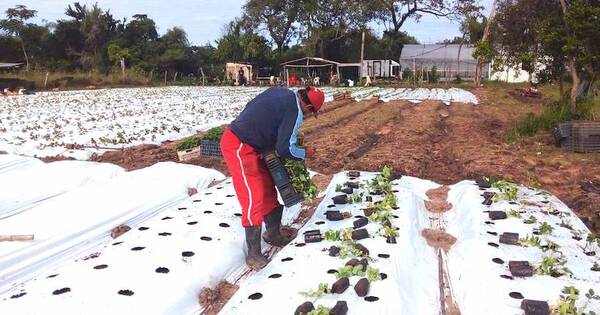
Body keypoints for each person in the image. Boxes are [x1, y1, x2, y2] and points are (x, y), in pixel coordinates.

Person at [220, 86, 325, 270]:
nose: (307, 116)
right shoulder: (295, 110)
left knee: (268, 188)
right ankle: (253, 255)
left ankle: (273, 234)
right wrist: (305, 152)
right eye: (310, 113)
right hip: (238, 144)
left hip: (255, 146)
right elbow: (286, 148)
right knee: (253, 195)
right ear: (308, 108)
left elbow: (253, 106)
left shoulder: (282, 92)